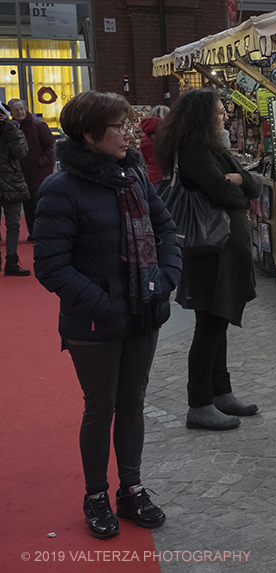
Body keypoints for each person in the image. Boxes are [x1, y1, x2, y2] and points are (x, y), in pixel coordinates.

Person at [33, 91, 181, 539]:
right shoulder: (61, 188)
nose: (129, 132)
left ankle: (131, 487)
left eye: (129, 123)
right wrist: (107, 306)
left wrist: (167, 277)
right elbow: (51, 266)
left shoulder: (132, 174)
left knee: (133, 402)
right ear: (89, 134)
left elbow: (165, 228)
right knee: (100, 408)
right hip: (95, 320)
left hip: (143, 311)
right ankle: (95, 494)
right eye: (119, 125)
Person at [155, 89, 261, 431]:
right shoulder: (193, 151)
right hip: (210, 249)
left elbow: (253, 187)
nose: (224, 117)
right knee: (210, 324)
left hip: (224, 247)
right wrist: (239, 184)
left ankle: (221, 393)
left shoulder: (212, 147)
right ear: (202, 116)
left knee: (219, 318)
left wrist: (241, 180)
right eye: (218, 113)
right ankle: (199, 404)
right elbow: (223, 192)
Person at [8, 98, 56, 241]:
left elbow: (51, 146)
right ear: (11, 112)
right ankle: (33, 233)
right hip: (21, 173)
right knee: (27, 205)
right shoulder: (10, 129)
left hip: (39, 171)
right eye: (16, 110)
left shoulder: (39, 126)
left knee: (39, 203)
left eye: (22, 109)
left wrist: (43, 161)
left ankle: (43, 232)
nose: (20, 112)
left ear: (26, 109)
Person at [0, 101, 31, 276]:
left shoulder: (12, 130)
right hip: (11, 182)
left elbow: (21, 152)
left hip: (12, 183)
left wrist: (10, 128)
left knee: (13, 225)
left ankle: (11, 261)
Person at [139, 104, 170, 183]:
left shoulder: (144, 138)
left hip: (153, 177)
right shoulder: (170, 134)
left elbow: (146, 159)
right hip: (169, 176)